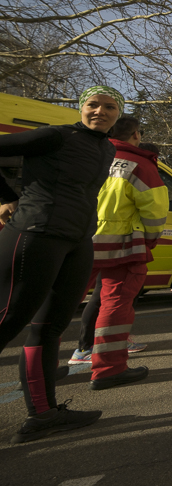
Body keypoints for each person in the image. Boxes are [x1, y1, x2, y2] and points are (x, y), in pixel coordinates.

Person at [0, 85, 123, 443]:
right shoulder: (56, 135)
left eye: (109, 107)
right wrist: (6, 198)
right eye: (93, 104)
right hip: (35, 235)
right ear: (81, 108)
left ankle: (43, 414)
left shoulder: (107, 148)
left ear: (118, 113)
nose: (100, 111)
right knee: (6, 323)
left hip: (77, 242)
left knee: (49, 328)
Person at [85, 116, 168, 389]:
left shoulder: (89, 155)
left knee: (59, 304)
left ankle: (41, 368)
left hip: (78, 240)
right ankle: (108, 369)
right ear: (135, 135)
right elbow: (155, 213)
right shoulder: (140, 164)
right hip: (122, 247)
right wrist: (149, 241)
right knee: (115, 305)